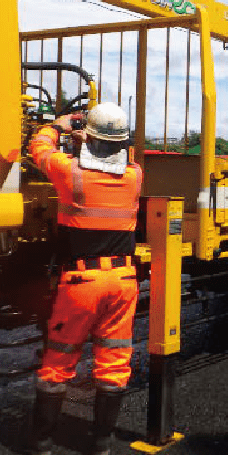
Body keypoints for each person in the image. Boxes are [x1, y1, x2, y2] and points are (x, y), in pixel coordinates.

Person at [27, 102, 142, 455]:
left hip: (82, 283)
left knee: (59, 362)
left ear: (90, 138)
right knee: (114, 362)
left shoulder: (70, 173)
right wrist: (88, 142)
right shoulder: (135, 175)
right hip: (123, 280)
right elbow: (114, 159)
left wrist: (59, 126)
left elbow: (39, 148)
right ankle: (102, 444)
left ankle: (43, 443)